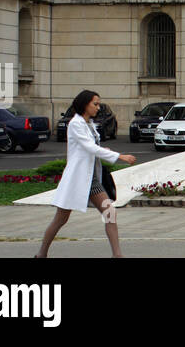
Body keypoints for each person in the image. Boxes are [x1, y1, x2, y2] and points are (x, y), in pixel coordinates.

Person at [36, 90, 136, 258]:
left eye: (98, 104)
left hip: (91, 179)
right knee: (60, 219)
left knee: (110, 212)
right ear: (84, 104)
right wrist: (120, 156)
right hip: (77, 180)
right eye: (95, 104)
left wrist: (102, 150)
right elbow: (89, 147)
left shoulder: (88, 123)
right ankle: (41, 254)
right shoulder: (75, 124)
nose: (98, 107)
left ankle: (117, 255)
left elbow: (91, 147)